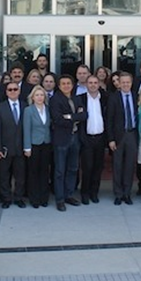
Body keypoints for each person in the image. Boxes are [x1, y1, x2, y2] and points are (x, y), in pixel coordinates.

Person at [50, 74, 87, 211]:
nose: (66, 86)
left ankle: (69, 195)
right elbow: (58, 119)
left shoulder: (77, 98)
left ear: (72, 85)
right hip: (61, 139)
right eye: (63, 84)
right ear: (59, 86)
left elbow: (84, 115)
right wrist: (75, 117)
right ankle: (60, 199)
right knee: (60, 170)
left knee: (73, 168)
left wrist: (69, 116)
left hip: (75, 138)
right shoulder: (55, 100)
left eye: (68, 83)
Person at [106, 72, 139, 206]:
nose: (125, 84)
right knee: (117, 165)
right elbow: (109, 120)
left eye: (128, 82)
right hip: (118, 136)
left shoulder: (137, 96)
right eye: (123, 82)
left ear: (131, 83)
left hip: (132, 134)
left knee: (130, 166)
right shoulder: (113, 98)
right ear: (119, 83)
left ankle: (127, 193)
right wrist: (111, 139)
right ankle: (118, 194)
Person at [0, 80, 26, 209]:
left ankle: (18, 198)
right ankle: (6, 198)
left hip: (21, 148)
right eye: (10, 89)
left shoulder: (25, 106)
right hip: (5, 148)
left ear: (19, 91)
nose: (13, 91)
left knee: (20, 175)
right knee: (4, 175)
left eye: (15, 89)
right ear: (6, 92)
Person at [78, 75, 107, 205]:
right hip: (87, 138)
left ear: (99, 84)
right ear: (86, 84)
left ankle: (94, 193)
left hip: (100, 138)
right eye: (90, 83)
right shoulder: (80, 99)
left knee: (98, 167)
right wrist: (82, 138)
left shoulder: (105, 98)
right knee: (87, 167)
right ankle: (84, 193)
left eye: (95, 82)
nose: (93, 85)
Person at [23, 85, 52, 208]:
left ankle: (44, 198)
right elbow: (26, 129)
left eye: (41, 95)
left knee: (45, 172)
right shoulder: (28, 110)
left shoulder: (48, 109)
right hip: (33, 145)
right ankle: (34, 199)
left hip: (46, 143)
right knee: (33, 172)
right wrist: (27, 147)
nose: (39, 97)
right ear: (33, 97)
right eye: (37, 95)